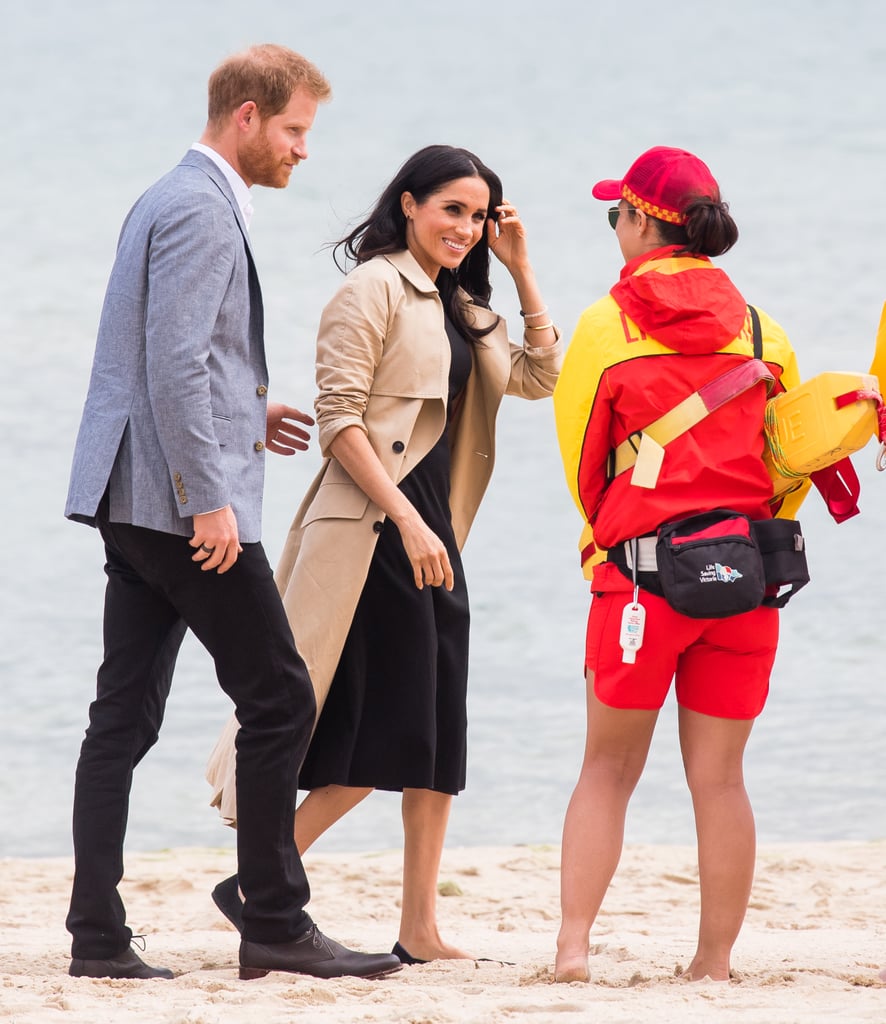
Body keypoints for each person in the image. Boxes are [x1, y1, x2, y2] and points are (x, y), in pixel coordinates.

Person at [64, 43, 401, 983]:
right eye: (295, 130)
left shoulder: (167, 195)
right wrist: (206, 496)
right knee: (281, 695)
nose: (303, 150)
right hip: (178, 509)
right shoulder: (204, 208)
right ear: (247, 117)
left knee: (122, 717)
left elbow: (162, 352)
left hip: (130, 498)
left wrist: (248, 408)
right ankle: (276, 924)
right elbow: (169, 363)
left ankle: (95, 933)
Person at [206, 144, 563, 962]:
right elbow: (339, 423)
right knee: (377, 740)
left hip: (438, 534)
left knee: (436, 741)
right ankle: (261, 878)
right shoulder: (371, 289)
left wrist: (520, 268)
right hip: (376, 534)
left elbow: (541, 377)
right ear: (409, 204)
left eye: (478, 216)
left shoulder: (465, 307)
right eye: (452, 211)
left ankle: (419, 928)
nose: (466, 229)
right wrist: (405, 518)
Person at [552, 146, 806, 983]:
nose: (613, 230)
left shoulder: (603, 327)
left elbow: (582, 465)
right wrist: (743, 536)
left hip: (638, 580)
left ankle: (574, 951)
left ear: (640, 221)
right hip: (743, 581)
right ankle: (714, 962)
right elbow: (787, 463)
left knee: (606, 768)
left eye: (614, 215)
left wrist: (611, 533)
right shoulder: (765, 329)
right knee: (722, 778)